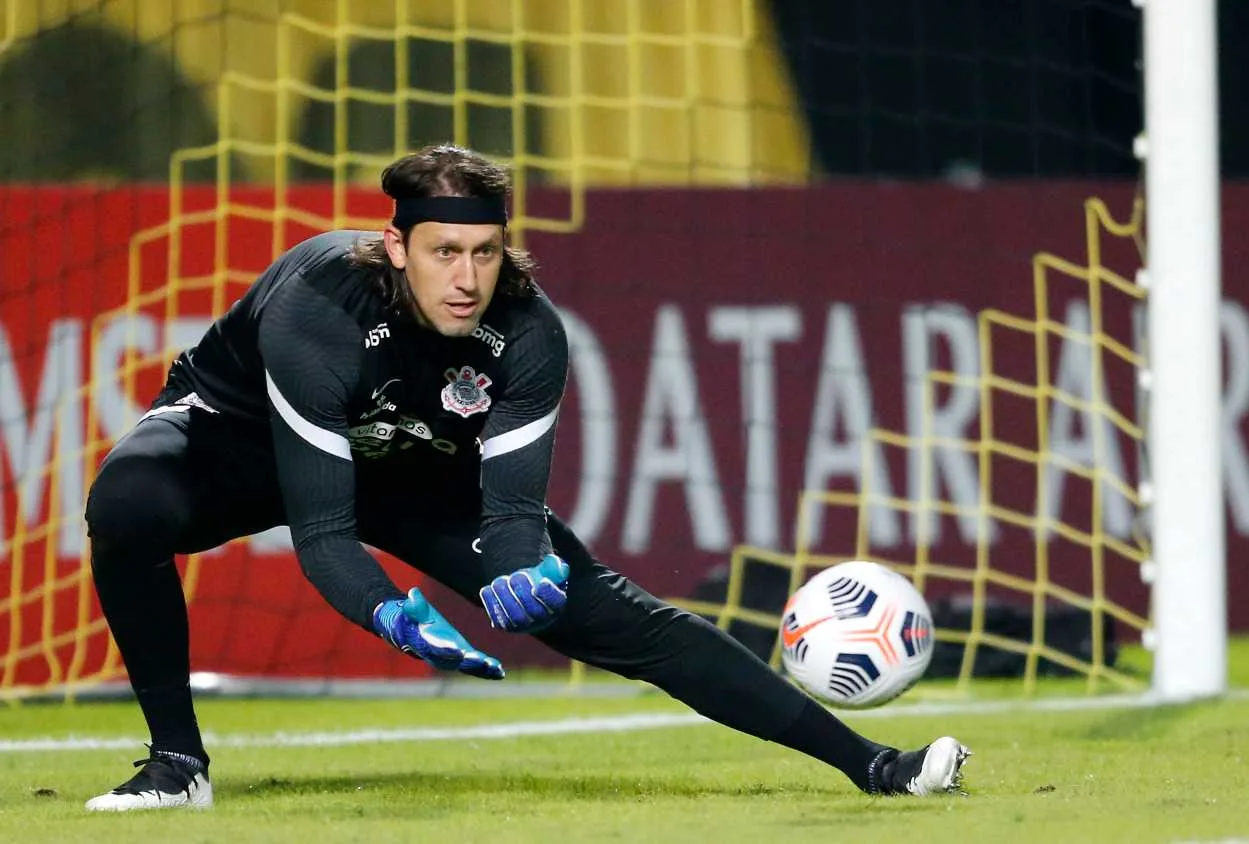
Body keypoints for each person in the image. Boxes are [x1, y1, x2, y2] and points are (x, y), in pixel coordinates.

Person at [82, 143, 970, 811]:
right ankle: (178, 763)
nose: (466, 279)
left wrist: (520, 568)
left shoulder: (532, 335)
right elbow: (321, 535)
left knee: (612, 616)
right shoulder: (318, 309)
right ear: (394, 246)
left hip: (414, 467)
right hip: (242, 443)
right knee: (126, 504)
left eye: (484, 252)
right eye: (442, 252)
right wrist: (387, 611)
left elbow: (508, 512)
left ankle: (873, 766)